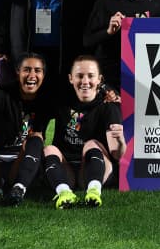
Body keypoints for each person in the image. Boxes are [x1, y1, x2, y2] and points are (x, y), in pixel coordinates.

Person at [43, 56, 125, 208]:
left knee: (91, 144)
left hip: (95, 169)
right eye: (80, 76)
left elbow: (116, 154)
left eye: (91, 76)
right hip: (66, 169)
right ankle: (64, 193)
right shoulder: (62, 101)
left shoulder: (108, 106)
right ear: (70, 78)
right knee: (49, 148)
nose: (85, 81)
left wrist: (120, 141)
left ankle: (94, 192)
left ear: (99, 79)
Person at [0, 53, 53, 206]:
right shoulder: (1, 94)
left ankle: (19, 189)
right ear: (18, 72)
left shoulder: (47, 99)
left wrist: (107, 94)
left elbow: (78, 103)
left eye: (37, 70)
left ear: (43, 75)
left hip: (23, 161)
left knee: (36, 138)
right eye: (27, 70)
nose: (32, 75)